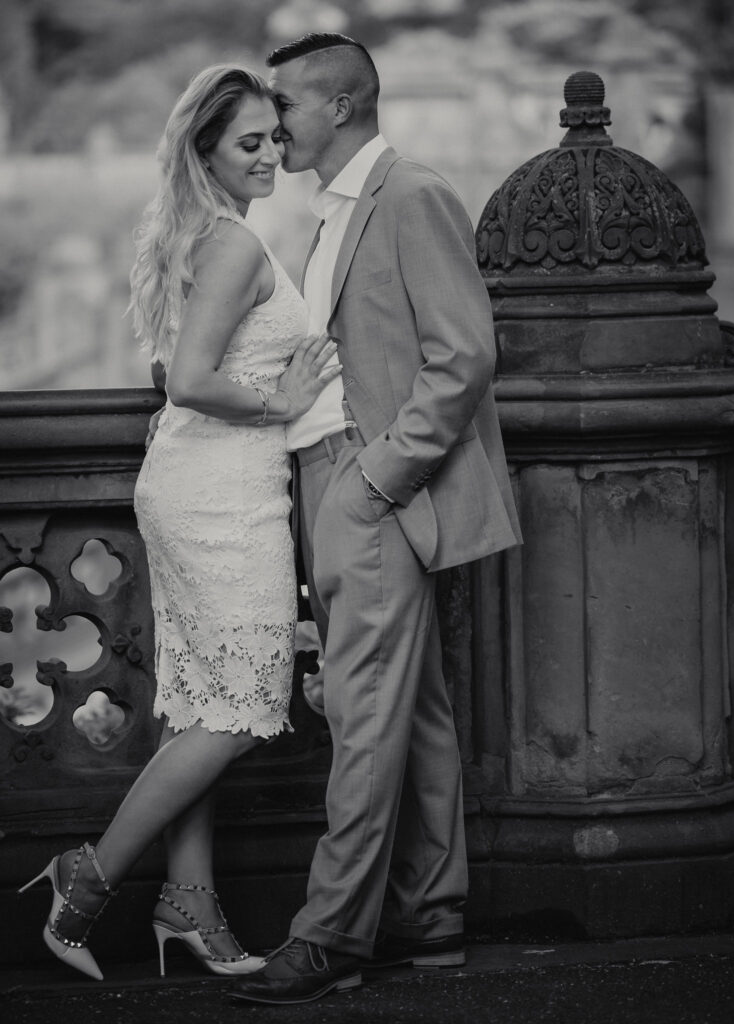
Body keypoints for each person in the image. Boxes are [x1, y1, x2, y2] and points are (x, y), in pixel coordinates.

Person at [18, 64, 339, 982]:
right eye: (250, 142)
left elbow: (178, 378)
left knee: (201, 702)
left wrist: (246, 402)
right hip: (223, 495)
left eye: (276, 137)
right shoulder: (232, 245)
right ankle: (88, 877)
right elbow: (194, 380)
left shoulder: (201, 234)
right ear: (206, 151)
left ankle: (189, 909)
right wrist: (281, 401)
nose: (272, 153)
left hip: (197, 479)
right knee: (238, 714)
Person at [232, 33, 522, 1006]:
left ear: (344, 104)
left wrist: (374, 478)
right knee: (417, 707)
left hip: (367, 489)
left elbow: (462, 355)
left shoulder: (409, 195)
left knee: (359, 714)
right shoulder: (334, 212)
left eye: (287, 107)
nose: (274, 127)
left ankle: (330, 935)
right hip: (338, 482)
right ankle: (429, 913)